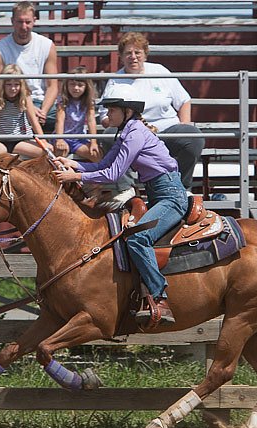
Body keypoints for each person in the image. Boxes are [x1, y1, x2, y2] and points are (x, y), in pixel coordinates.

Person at [52, 85, 185, 326]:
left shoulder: (134, 134)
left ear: (127, 111)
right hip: (160, 193)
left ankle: (160, 298)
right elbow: (103, 164)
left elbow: (113, 174)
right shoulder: (127, 132)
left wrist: (76, 178)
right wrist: (74, 165)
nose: (107, 115)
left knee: (137, 238)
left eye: (112, 110)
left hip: (170, 196)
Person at [99, 31, 205, 190]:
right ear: (121, 57)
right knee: (108, 137)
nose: (133, 56)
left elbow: (184, 101)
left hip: (166, 131)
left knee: (193, 136)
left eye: (137, 52)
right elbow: (104, 118)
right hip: (132, 135)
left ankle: (180, 188)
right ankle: (127, 192)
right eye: (128, 53)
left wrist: (185, 124)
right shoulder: (115, 80)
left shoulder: (160, 71)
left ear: (145, 54)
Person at [0, 1, 58, 132]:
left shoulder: (47, 45)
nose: (24, 26)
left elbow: (53, 86)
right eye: (19, 22)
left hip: (42, 102)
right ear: (12, 21)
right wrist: (30, 108)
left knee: (64, 116)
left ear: (34, 21)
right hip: (14, 102)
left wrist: (43, 111)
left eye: (28, 22)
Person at [0, 63, 51, 158]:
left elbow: (33, 119)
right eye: (9, 84)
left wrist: (43, 140)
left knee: (48, 151)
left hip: (20, 140)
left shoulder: (25, 94)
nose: (13, 88)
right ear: (3, 84)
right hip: (0, 139)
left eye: (16, 84)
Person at [53, 66, 101, 162]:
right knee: (61, 152)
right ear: (67, 85)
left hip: (78, 139)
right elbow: (60, 120)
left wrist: (93, 142)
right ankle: (60, 174)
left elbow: (91, 121)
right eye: (72, 84)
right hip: (63, 136)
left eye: (80, 85)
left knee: (96, 154)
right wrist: (59, 139)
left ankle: (90, 175)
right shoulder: (63, 100)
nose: (75, 88)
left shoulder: (88, 101)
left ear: (86, 86)